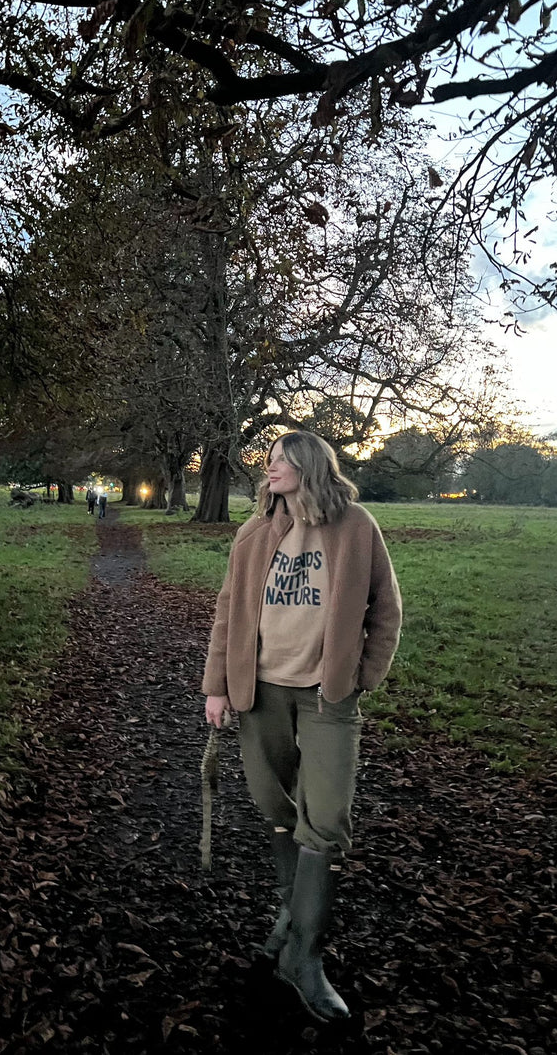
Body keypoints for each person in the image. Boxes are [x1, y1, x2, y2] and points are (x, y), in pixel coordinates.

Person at [202, 430, 402, 1023]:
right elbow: (226, 611)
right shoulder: (253, 534)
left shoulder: (356, 527)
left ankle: (304, 958)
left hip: (326, 697)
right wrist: (216, 686)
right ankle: (292, 920)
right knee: (273, 804)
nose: (268, 471)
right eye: (266, 464)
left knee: (329, 815)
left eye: (278, 462)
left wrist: (360, 675)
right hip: (260, 691)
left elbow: (386, 609)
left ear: (308, 466)